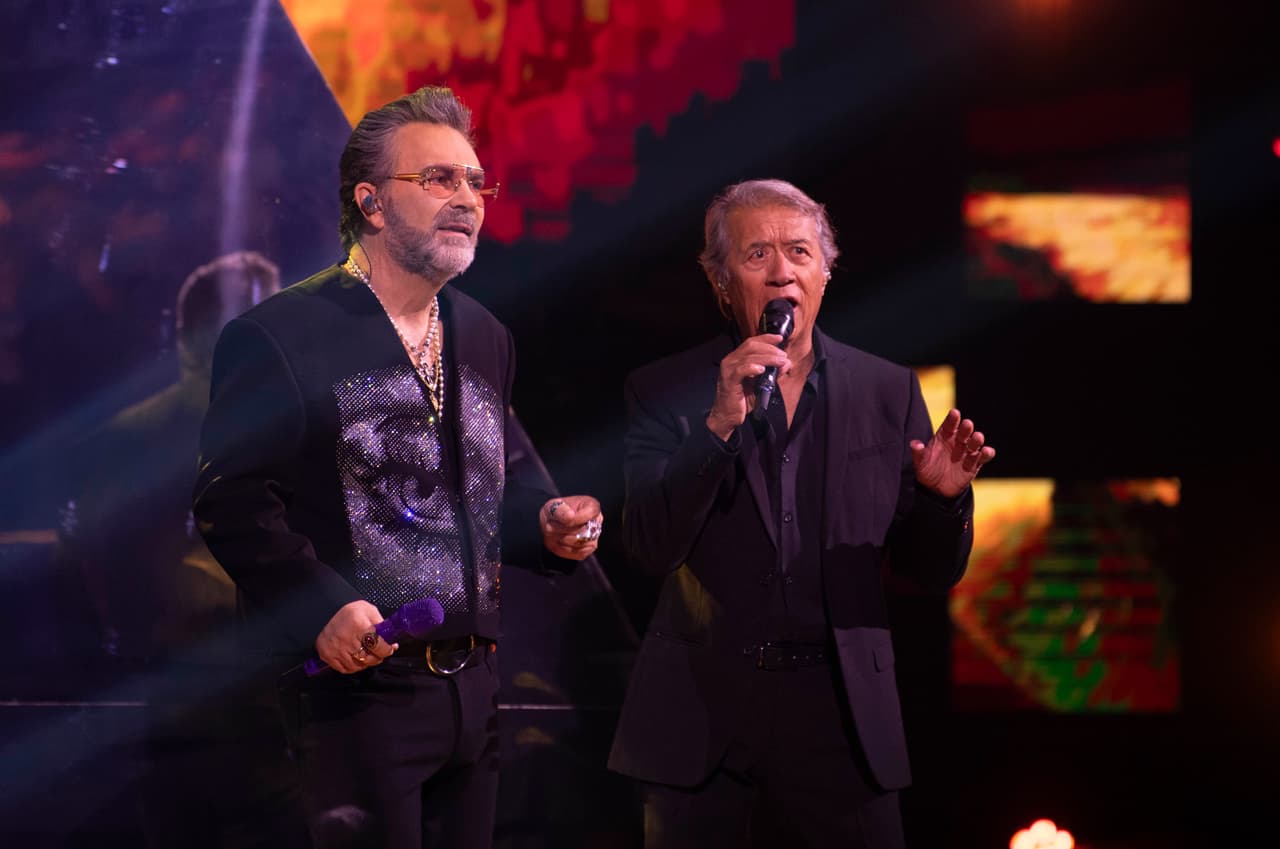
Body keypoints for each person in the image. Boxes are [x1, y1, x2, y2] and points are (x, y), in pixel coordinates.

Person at [192, 85, 603, 849]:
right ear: (372, 203)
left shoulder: (484, 333)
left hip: (473, 690)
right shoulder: (283, 332)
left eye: (475, 182)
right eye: (439, 179)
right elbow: (233, 499)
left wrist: (545, 525)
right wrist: (318, 605)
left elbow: (465, 499)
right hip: (353, 693)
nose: (467, 199)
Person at [607, 179, 996, 848]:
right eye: (756, 254)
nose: (782, 269)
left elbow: (928, 572)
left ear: (824, 271)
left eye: (798, 251)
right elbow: (647, 543)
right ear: (721, 281)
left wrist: (941, 499)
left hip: (841, 722)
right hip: (701, 722)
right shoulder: (664, 390)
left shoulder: (887, 390)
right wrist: (718, 425)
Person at [58, 250, 309, 848]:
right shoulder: (295, 425)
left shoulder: (121, 434)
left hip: (165, 679)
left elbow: (88, 562)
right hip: (261, 676)